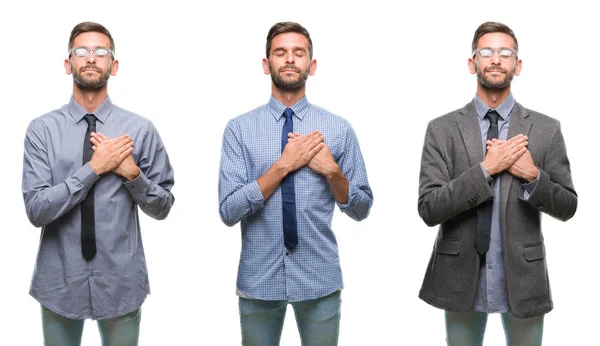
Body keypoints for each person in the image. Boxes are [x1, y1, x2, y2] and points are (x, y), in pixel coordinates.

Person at [417, 21, 577, 346]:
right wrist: (486, 169)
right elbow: (429, 208)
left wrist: (533, 176)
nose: (495, 59)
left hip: (523, 279)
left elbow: (568, 205)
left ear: (517, 66)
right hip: (459, 277)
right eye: (486, 52)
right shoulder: (442, 129)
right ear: (471, 62)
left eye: (505, 53)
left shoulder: (546, 129)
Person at [218, 21, 373, 346]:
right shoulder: (239, 129)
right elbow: (228, 211)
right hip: (258, 278)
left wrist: (333, 173)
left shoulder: (338, 129)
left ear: (311, 65)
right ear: (266, 64)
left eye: (298, 53)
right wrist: (282, 166)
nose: (289, 59)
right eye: (280, 52)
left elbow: (362, 208)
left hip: (320, 277)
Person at [21, 21, 175, 346]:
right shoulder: (41, 131)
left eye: (101, 52)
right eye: (82, 51)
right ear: (68, 63)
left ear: (113, 65)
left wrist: (133, 174)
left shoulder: (141, 130)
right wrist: (94, 168)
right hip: (59, 283)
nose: (91, 58)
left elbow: (162, 206)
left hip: (122, 283)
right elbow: (36, 210)